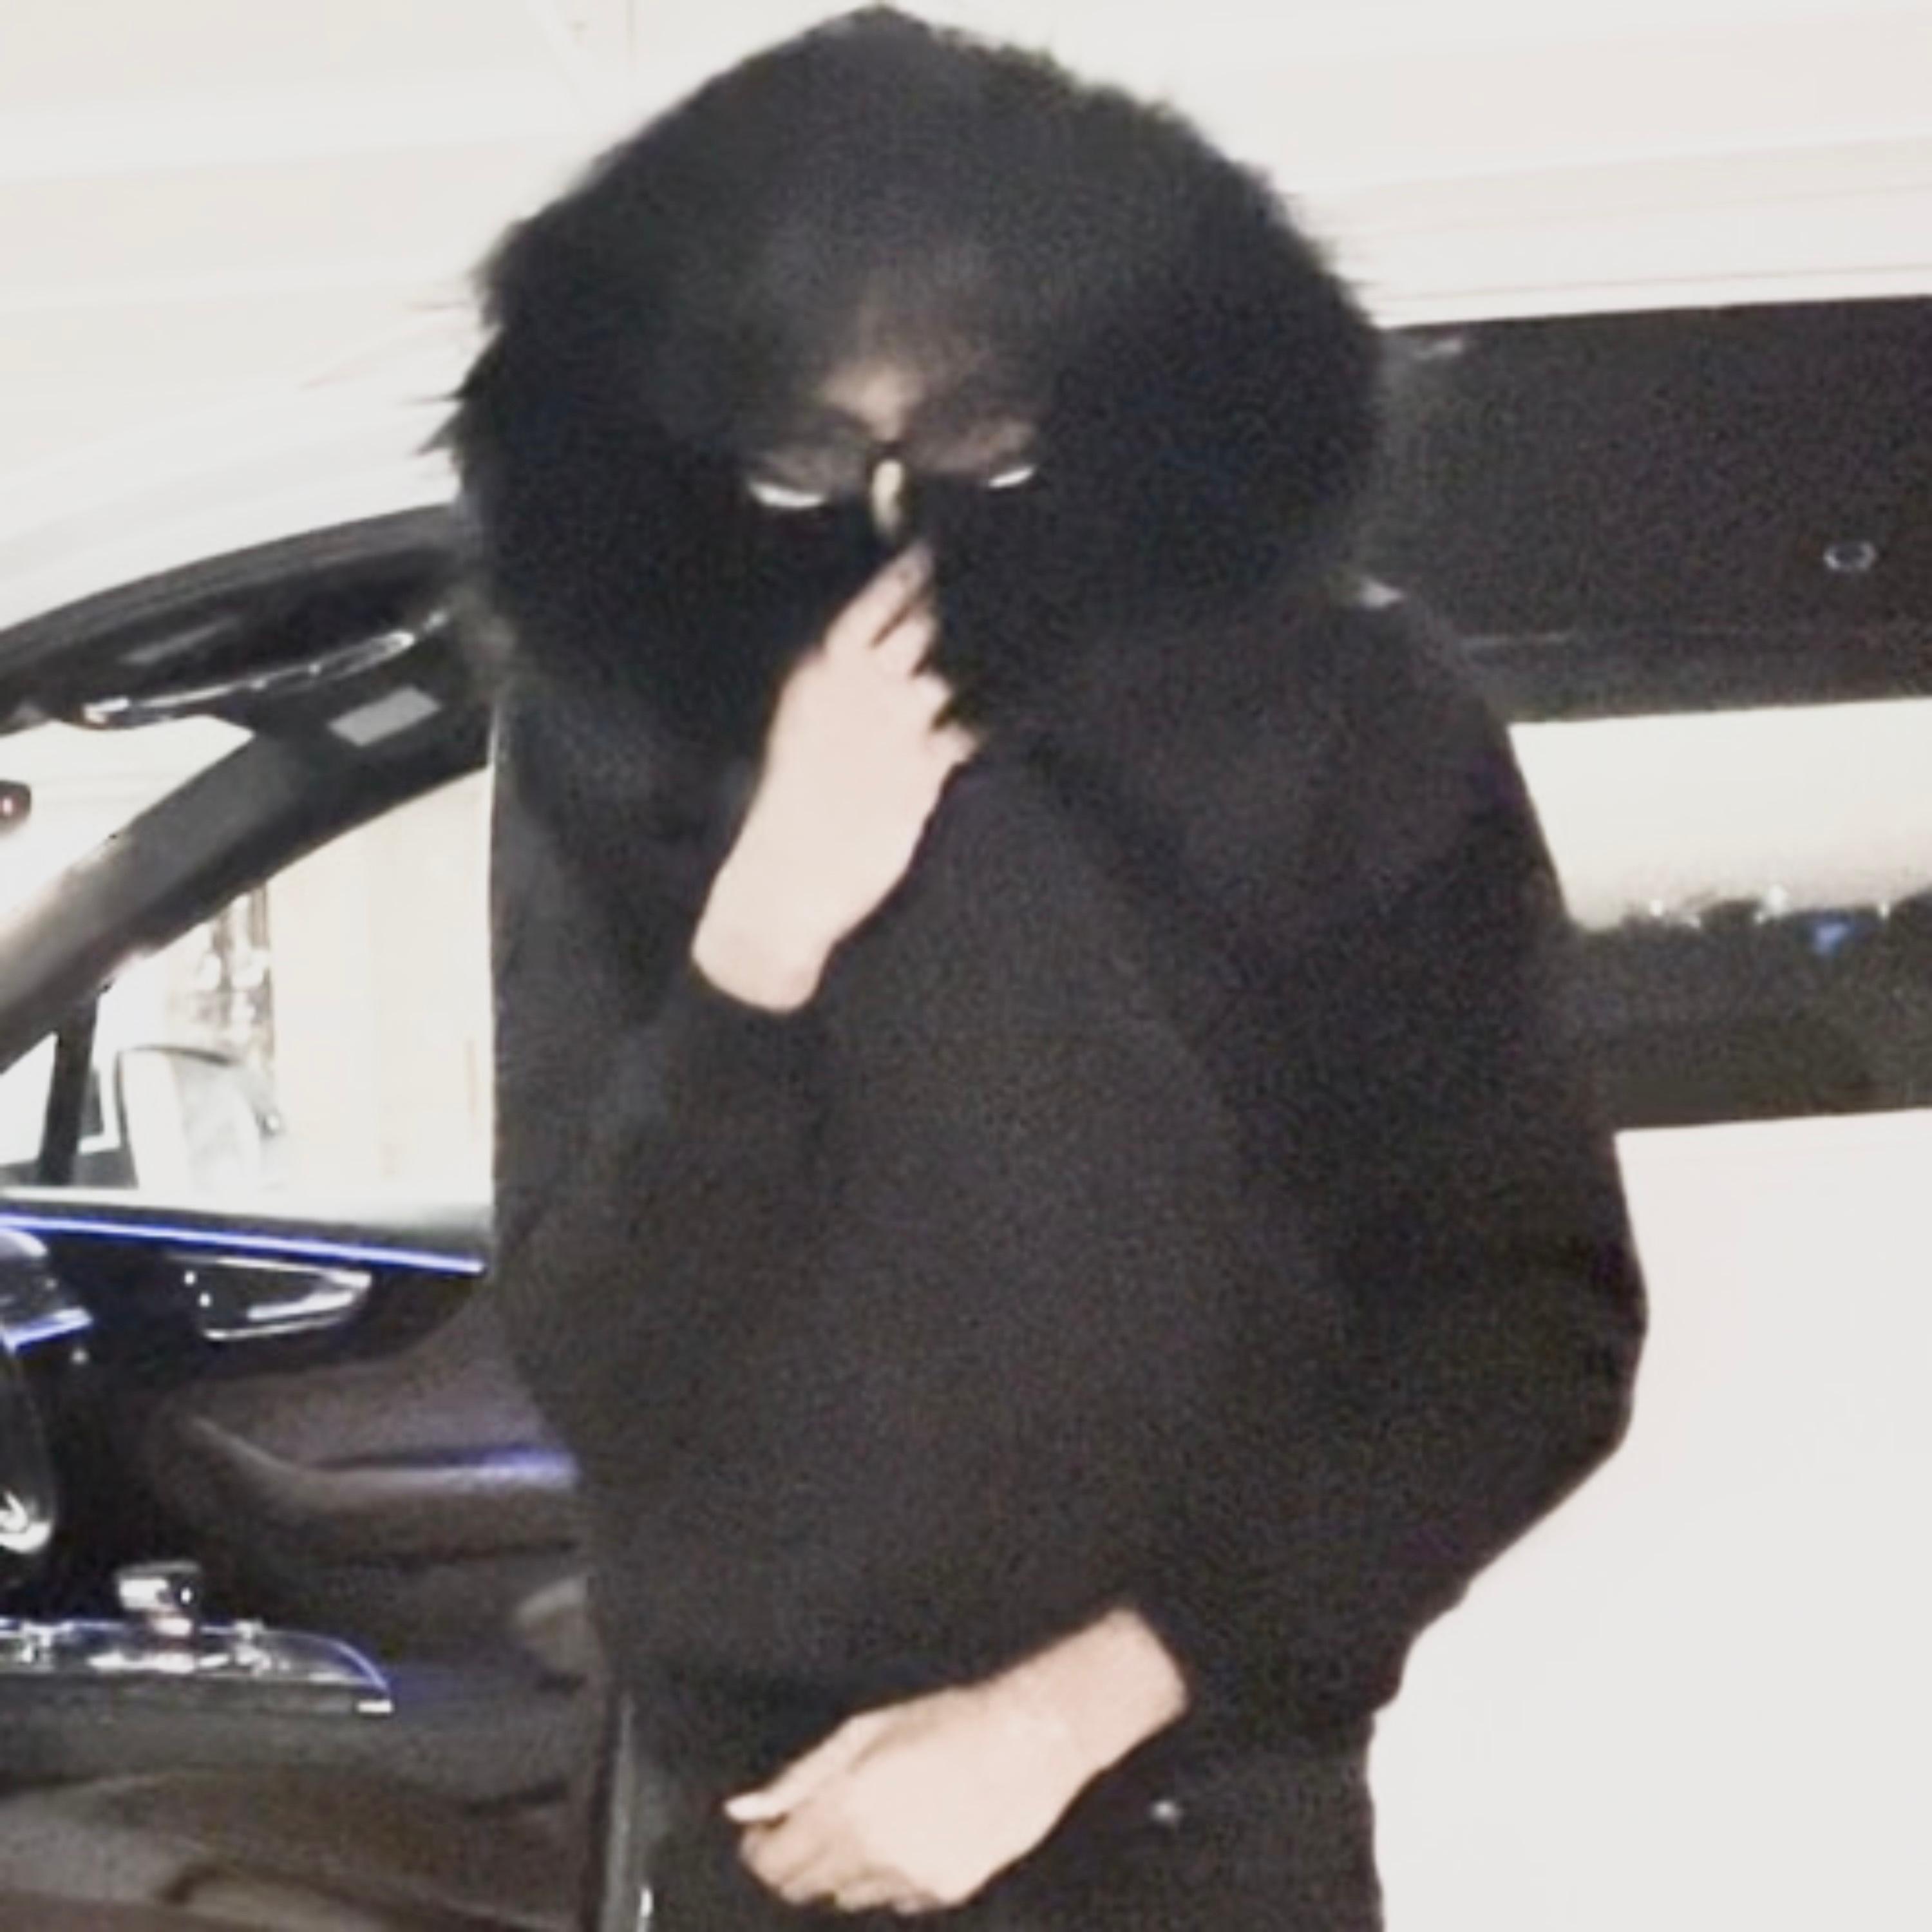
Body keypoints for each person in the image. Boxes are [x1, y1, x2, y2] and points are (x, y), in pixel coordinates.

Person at [460, 13, 1647, 1926]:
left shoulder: (1339, 709)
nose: (898, 524)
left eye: (978, 433)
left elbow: (1522, 1330)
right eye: (805, 453)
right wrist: (770, 924)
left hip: (1192, 1814)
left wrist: (1054, 1720)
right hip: (781, 1827)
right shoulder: (614, 740)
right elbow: (604, 1353)